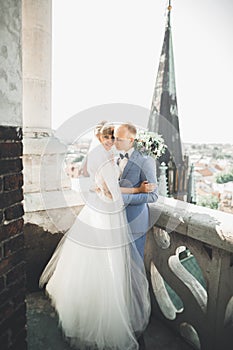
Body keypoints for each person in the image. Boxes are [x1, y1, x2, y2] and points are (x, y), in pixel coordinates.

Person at [39, 121, 152, 350]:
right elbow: (114, 193)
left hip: (94, 212)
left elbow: (92, 186)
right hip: (107, 215)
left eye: (115, 138)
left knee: (91, 262)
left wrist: (101, 189)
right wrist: (138, 190)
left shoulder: (94, 155)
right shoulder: (107, 159)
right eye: (110, 137)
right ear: (102, 138)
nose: (113, 141)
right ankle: (102, 315)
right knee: (107, 266)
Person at [114, 123, 158, 258]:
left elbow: (153, 196)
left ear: (131, 140)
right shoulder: (118, 159)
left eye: (119, 139)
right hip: (117, 218)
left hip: (135, 218)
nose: (115, 142)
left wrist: (123, 198)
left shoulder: (145, 160)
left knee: (134, 260)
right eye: (115, 138)